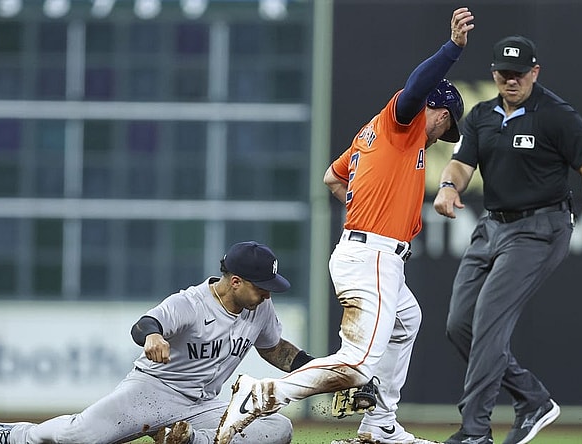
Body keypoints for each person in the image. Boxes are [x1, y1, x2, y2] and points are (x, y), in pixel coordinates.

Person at [201, 8, 475, 444]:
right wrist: (452, 50)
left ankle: (379, 425)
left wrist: (363, 203)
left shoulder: (371, 136)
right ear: (438, 111)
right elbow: (418, 87)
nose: (442, 132)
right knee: (359, 363)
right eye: (446, 123)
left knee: (408, 319)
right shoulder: (402, 124)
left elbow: (333, 177)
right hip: (374, 256)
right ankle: (262, 394)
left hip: (363, 250)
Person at [432, 35, 582, 444]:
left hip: (539, 228)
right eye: (505, 73)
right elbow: (460, 163)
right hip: (492, 226)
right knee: (460, 324)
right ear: (494, 74)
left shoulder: (555, 114)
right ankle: (532, 398)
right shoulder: (482, 115)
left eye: (520, 73)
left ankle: (474, 430)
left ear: (535, 72)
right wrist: (447, 187)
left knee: (490, 320)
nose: (512, 80)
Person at [0, 241, 314, 444]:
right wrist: (152, 336)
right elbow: (146, 324)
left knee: (277, 428)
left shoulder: (260, 307)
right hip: (152, 392)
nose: (268, 292)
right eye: (261, 285)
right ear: (235, 281)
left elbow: (274, 349)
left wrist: (323, 370)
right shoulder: (191, 303)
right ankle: (14, 436)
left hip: (202, 406)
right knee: (81, 436)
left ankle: (186, 439)